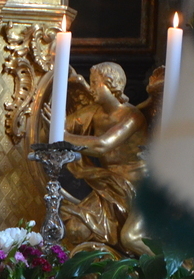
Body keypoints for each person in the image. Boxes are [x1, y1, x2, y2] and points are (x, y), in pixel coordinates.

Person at [61, 62, 151, 256]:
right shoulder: (94, 112)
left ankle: (173, 271)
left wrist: (63, 137)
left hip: (140, 188)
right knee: (76, 228)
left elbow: (102, 145)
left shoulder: (133, 116)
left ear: (112, 84)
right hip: (110, 185)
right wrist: (53, 125)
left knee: (131, 238)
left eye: (95, 83)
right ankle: (104, 266)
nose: (90, 88)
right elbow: (62, 125)